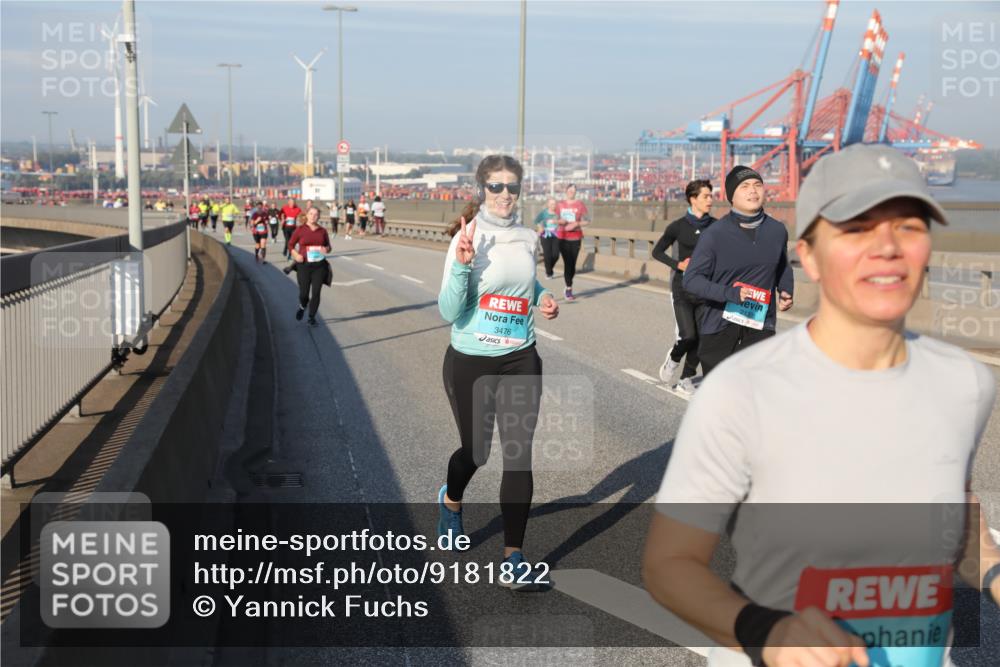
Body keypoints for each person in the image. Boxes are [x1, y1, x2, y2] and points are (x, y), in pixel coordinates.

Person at [643, 143, 999, 667]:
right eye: (856, 228)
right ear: (811, 255)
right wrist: (767, 630)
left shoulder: (965, 381)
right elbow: (670, 563)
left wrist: (991, 570)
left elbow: (956, 513)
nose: (887, 248)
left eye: (909, 226)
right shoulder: (740, 390)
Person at [437, 154, 559, 589]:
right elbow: (449, 310)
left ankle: (514, 558)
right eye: (496, 187)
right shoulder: (468, 238)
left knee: (518, 453)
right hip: (470, 358)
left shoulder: (528, 237)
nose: (505, 194)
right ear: (481, 190)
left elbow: (525, 284)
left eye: (512, 187)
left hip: (519, 356)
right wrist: (464, 264)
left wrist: (541, 297)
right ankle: (451, 504)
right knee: (477, 451)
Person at [682, 166, 793, 376]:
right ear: (731, 195)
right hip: (720, 326)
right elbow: (691, 280)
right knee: (721, 398)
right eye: (745, 186)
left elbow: (782, 265)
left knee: (754, 394)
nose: (753, 191)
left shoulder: (777, 230)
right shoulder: (714, 234)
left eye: (757, 185)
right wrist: (729, 293)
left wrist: (786, 289)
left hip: (761, 324)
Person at [652, 179, 716, 395]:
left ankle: (686, 378)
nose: (711, 200)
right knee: (688, 336)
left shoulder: (716, 226)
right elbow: (657, 252)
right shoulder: (678, 227)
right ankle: (673, 358)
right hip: (682, 288)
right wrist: (678, 265)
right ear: (693, 199)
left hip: (706, 289)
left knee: (703, 336)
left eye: (711, 195)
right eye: (706, 196)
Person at [288, 206, 332, 326]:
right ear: (307, 215)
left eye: (316, 214)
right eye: (311, 214)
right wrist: (296, 255)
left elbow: (329, 246)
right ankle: (303, 306)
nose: (313, 216)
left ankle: (311, 317)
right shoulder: (300, 230)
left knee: (316, 292)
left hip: (319, 266)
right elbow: (291, 245)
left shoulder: (322, 231)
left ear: (319, 216)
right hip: (304, 265)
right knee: (304, 294)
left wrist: (326, 249)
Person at [555, 183, 589, 301]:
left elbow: (587, 220)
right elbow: (552, 219)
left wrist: (577, 223)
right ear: (566, 191)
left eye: (574, 191)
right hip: (562, 237)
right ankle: (568, 288)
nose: (572, 192)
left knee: (573, 265)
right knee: (567, 263)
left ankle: (569, 284)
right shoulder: (560, 205)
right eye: (570, 190)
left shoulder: (580, 204)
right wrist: (560, 221)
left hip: (576, 237)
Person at [534, 197, 560, 279]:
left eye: (555, 204)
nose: (553, 205)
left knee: (556, 254)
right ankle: (549, 273)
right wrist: (540, 227)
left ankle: (549, 269)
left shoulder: (558, 213)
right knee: (547, 254)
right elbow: (536, 221)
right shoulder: (544, 213)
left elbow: (563, 222)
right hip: (545, 235)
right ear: (548, 204)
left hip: (556, 235)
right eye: (552, 204)